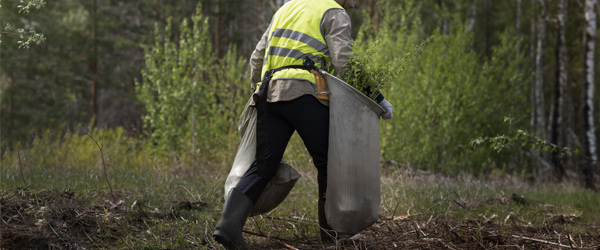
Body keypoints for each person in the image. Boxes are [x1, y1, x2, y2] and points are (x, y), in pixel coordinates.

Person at [213, 0, 393, 249]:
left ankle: (228, 225)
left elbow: (257, 57)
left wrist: (258, 89)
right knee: (330, 163)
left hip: (270, 94)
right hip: (304, 94)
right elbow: (345, 63)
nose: (355, 4)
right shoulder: (332, 12)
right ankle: (332, 236)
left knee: (265, 165)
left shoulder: (285, 9)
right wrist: (377, 97)